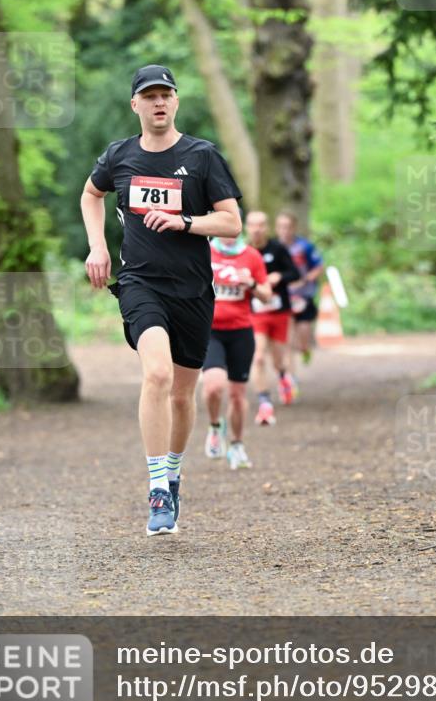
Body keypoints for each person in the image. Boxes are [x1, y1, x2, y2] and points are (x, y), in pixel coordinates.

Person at [81, 64, 242, 536]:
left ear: (176, 101)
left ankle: (172, 474)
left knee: (182, 395)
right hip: (140, 283)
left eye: (165, 95)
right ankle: (156, 490)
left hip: (192, 290)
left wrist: (185, 222)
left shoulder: (202, 156)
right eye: (149, 96)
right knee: (156, 373)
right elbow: (90, 195)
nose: (158, 102)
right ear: (135, 104)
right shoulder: (119, 156)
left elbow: (231, 222)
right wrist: (97, 246)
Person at [201, 233, 272, 469]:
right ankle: (215, 426)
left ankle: (237, 445)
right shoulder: (204, 250)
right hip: (210, 331)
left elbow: (267, 295)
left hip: (241, 332)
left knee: (237, 394)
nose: (228, 235)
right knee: (213, 386)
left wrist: (251, 284)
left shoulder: (251, 256)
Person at [245, 210, 300, 425]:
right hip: (255, 313)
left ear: (267, 228)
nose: (257, 229)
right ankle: (264, 400)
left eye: (261, 225)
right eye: (252, 225)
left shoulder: (278, 249)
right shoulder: (244, 251)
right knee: (258, 356)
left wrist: (279, 276)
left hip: (279, 311)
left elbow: (295, 273)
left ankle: (284, 376)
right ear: (246, 227)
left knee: (278, 359)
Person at [275, 210, 325, 381]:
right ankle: (291, 377)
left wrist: (305, 279)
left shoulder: (305, 246)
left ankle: (305, 349)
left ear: (294, 228)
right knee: (288, 341)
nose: (284, 231)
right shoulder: (274, 247)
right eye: (281, 227)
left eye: (288, 227)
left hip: (304, 296)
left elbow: (318, 266)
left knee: (302, 338)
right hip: (284, 298)